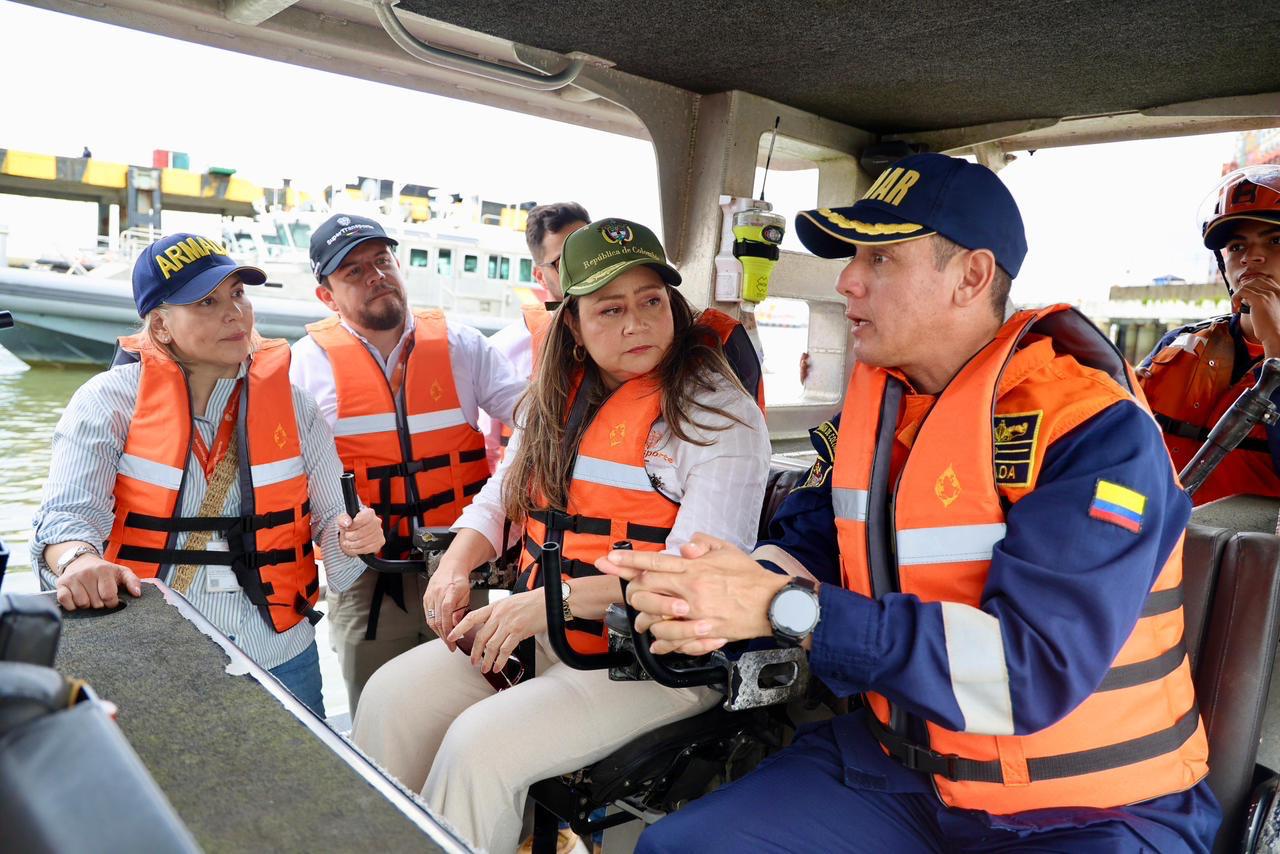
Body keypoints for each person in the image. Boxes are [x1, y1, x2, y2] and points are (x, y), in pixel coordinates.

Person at [599, 154, 1219, 852]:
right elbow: (813, 543)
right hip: (903, 773)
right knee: (678, 847)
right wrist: (712, 591)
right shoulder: (880, 415)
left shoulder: (1096, 435)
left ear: (971, 277)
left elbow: (1029, 673)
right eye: (852, 257)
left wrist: (782, 608)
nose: (847, 280)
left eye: (880, 258)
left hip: (1087, 809)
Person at [351, 218, 771, 852]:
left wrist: (551, 604)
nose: (636, 324)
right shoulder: (555, 399)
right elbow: (502, 496)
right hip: (545, 634)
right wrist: (457, 563)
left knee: (480, 747)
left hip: (654, 663)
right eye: (610, 309)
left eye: (651, 302)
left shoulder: (717, 414)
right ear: (572, 323)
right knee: (389, 697)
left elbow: (695, 581)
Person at [31, 233, 384, 716]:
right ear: (161, 325)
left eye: (238, 293)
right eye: (206, 302)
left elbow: (333, 521)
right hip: (148, 654)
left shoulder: (296, 407)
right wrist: (78, 562)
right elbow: (65, 520)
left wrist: (356, 533)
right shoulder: (106, 402)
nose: (234, 312)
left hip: (281, 654)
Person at [289, 213, 526, 713]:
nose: (375, 275)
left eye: (382, 260)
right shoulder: (303, 367)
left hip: (458, 566)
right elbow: (285, 478)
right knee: (377, 711)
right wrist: (334, 528)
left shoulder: (464, 346)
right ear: (326, 296)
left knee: (469, 705)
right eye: (353, 271)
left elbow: (536, 419)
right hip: (366, 577)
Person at [1138, 165, 1280, 505]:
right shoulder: (1178, 345)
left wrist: (1275, 344)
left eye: (1276, 240)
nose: (1251, 257)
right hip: (1162, 534)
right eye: (1236, 246)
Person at [480, 202, 591, 468]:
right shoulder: (504, 351)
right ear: (540, 276)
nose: (584, 267)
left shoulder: (631, 339)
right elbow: (488, 449)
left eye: (588, 252)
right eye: (563, 262)